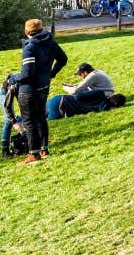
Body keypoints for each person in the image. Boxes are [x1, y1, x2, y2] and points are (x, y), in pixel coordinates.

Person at [9, 18, 68, 164]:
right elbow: (63, 59)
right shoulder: (51, 42)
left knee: (29, 121)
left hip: (28, 89)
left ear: (26, 31)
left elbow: (27, 73)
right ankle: (44, 150)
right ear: (41, 29)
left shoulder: (29, 47)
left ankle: (33, 154)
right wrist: (51, 74)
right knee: (41, 118)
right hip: (43, 87)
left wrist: (13, 78)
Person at [47, 63, 121, 118]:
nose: (79, 76)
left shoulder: (92, 76)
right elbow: (82, 85)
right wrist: (72, 86)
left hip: (102, 94)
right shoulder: (96, 72)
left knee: (77, 94)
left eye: (80, 74)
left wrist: (66, 88)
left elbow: (75, 91)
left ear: (85, 72)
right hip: (104, 93)